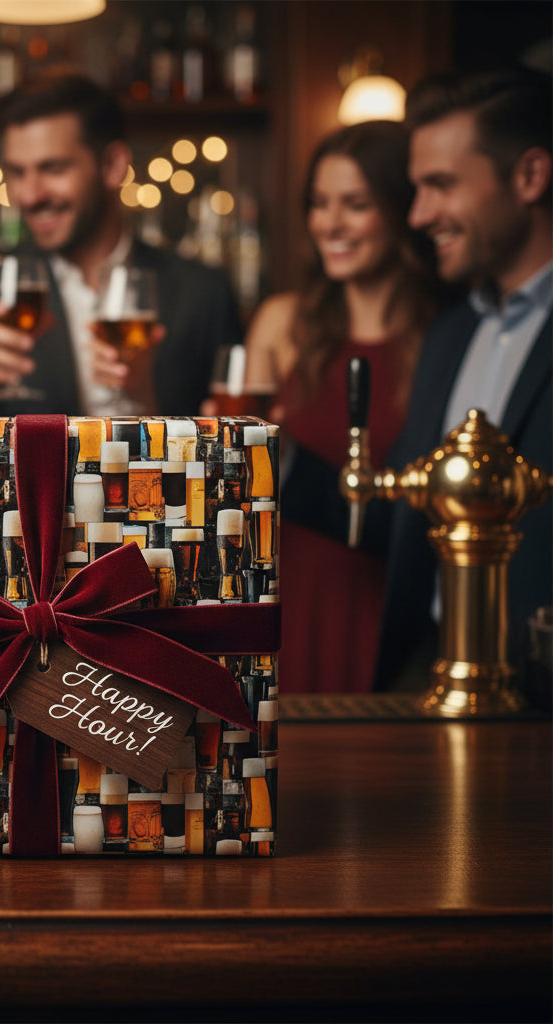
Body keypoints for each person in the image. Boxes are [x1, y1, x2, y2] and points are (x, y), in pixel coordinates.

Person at [207, 121, 445, 693]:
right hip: (286, 595)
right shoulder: (282, 321)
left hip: (387, 608)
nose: (329, 223)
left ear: (402, 209)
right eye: (319, 203)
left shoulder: (444, 337)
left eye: (355, 204)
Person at [372, 68, 551, 690]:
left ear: (530, 176)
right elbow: (399, 505)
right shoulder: (450, 334)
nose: (419, 214)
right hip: (429, 676)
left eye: (440, 185)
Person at [0, 71, 242, 418]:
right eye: (17, 172)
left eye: (54, 169)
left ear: (112, 165)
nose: (29, 196)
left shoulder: (203, 292)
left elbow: (229, 444)